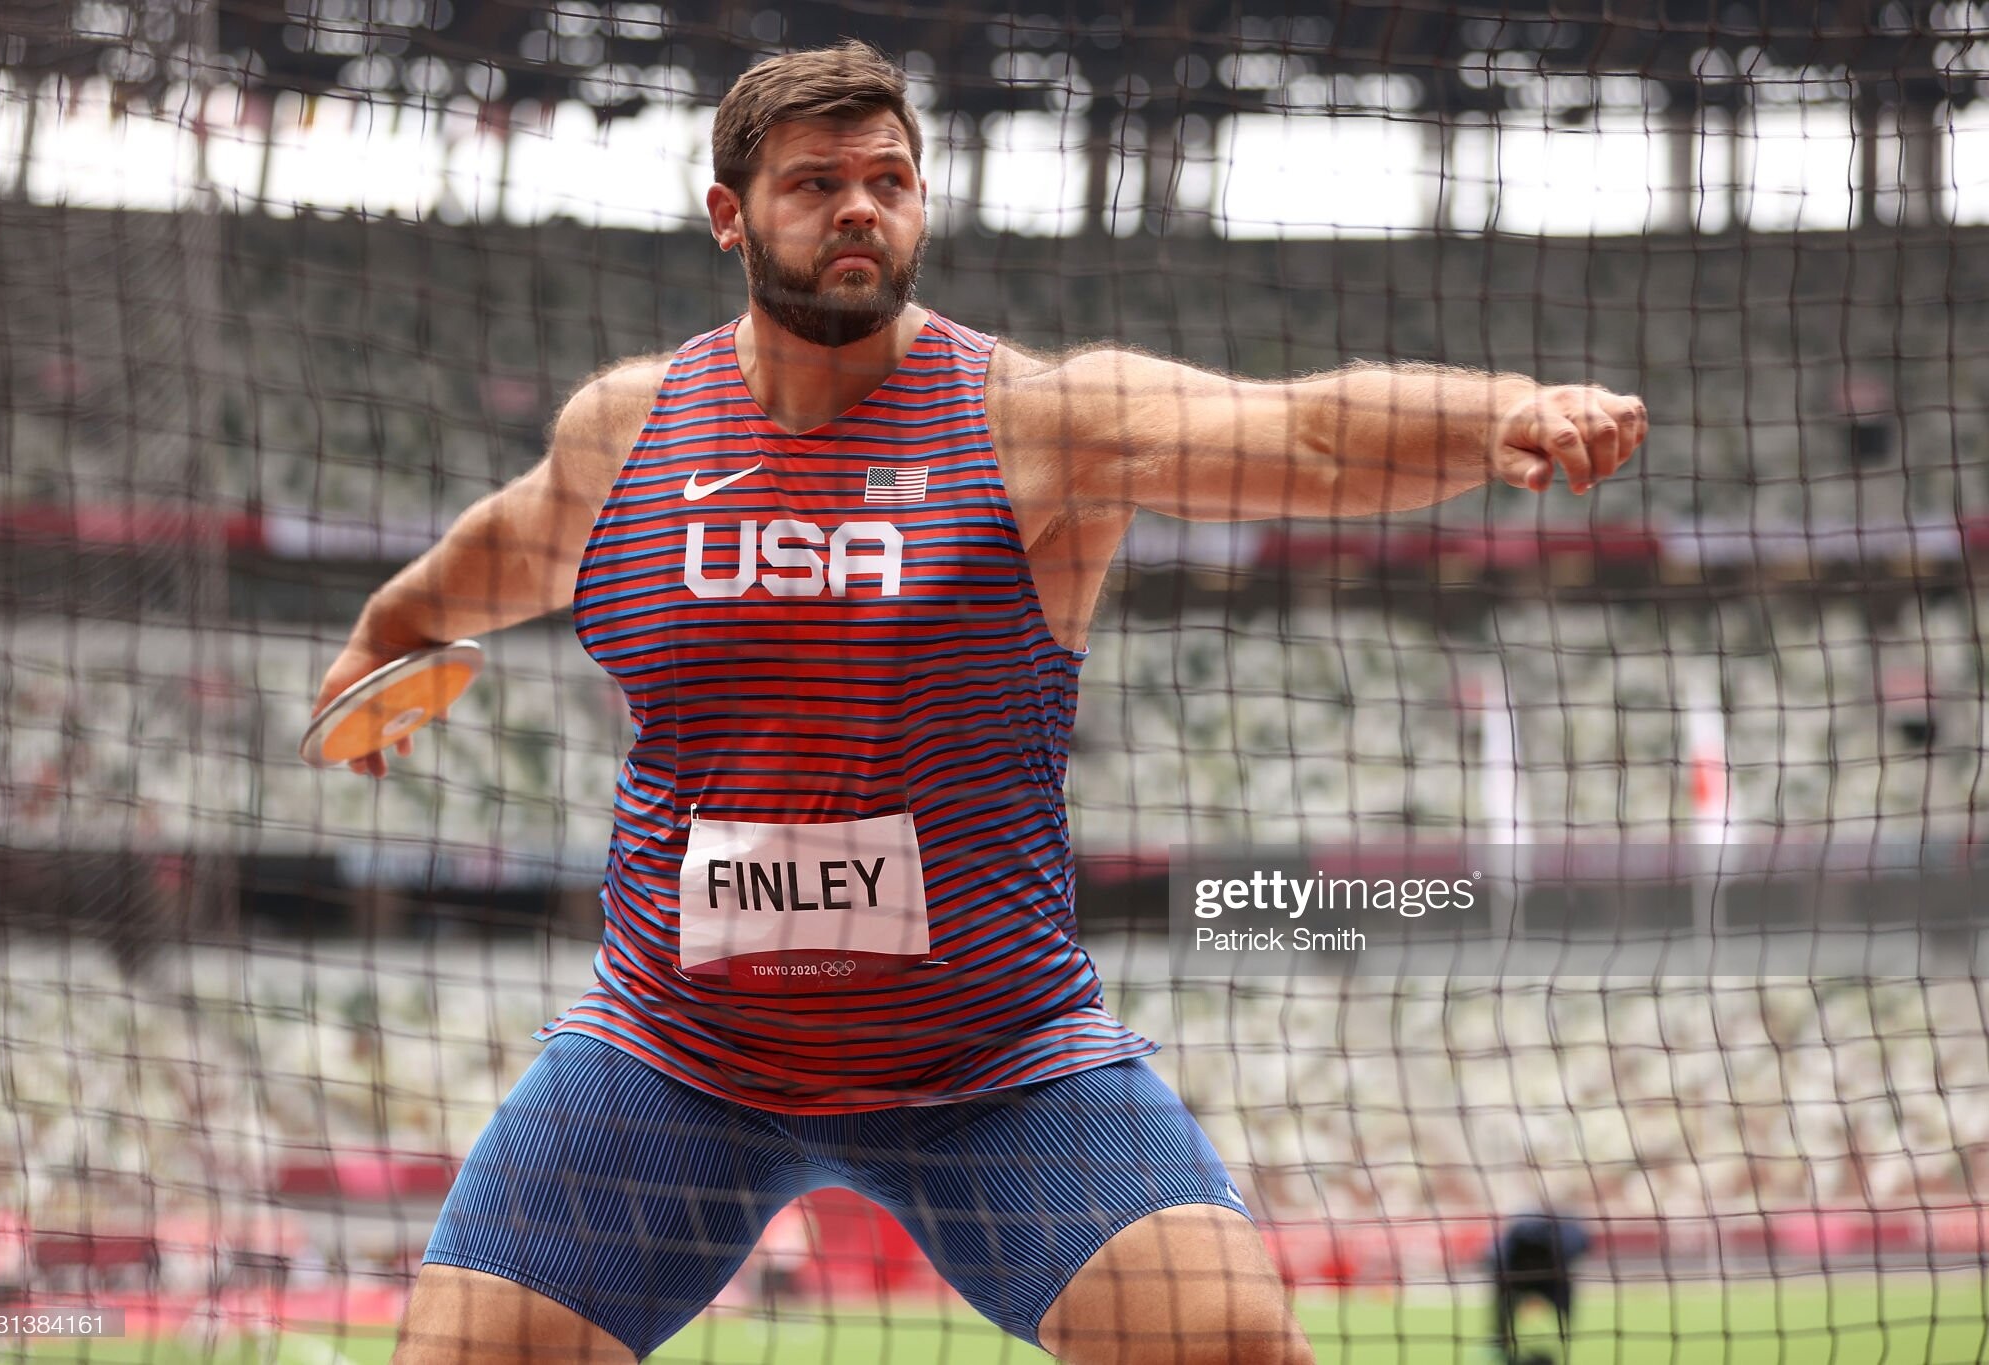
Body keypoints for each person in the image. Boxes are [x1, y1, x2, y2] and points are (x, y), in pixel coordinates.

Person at [317, 40, 1646, 1365]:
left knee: (1237, 1348)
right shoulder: (632, 429)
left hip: (993, 1064)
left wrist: (1500, 416)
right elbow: (520, 539)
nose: (859, 207)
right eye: (816, 182)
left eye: (890, 179)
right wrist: (394, 624)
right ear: (728, 214)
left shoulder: (1036, 423)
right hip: (676, 1056)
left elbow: (1297, 432)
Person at [1490, 1213, 1593, 1364]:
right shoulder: (1509, 1249)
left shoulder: (1562, 1242)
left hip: (1548, 1278)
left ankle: (1502, 1342)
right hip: (1520, 1278)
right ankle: (1501, 1343)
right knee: (1503, 1313)